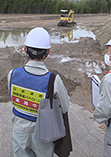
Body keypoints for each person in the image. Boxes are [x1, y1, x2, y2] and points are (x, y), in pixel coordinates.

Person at [8, 27, 70, 157]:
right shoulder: (53, 80)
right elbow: (65, 107)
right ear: (47, 52)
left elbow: (13, 99)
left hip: (19, 130)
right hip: (43, 133)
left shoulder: (13, 74)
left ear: (25, 49)